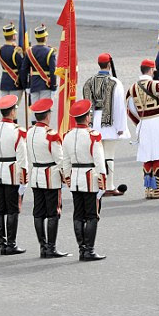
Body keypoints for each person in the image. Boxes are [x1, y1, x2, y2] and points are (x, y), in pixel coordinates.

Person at [126, 58, 159, 199]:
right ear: (151, 70)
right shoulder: (155, 85)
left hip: (144, 123)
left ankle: (149, 188)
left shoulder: (132, 88)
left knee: (148, 156)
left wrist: (139, 122)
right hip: (157, 122)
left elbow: (129, 109)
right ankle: (157, 189)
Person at [60, 98, 107, 261]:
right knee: (92, 215)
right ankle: (89, 249)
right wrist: (103, 180)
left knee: (78, 215)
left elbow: (65, 161)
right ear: (87, 117)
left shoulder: (67, 136)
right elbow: (99, 161)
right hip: (89, 177)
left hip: (75, 177)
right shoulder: (93, 136)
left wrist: (67, 177)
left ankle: (82, 248)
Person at [0, 95, 29, 255]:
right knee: (13, 209)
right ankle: (11, 243)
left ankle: (2, 244)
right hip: (12, 173)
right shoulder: (18, 132)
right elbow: (23, 159)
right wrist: (24, 179)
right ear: (12, 112)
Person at [82, 53, 130, 196]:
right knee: (109, 155)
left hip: (94, 119)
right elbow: (119, 107)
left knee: (97, 155)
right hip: (109, 123)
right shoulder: (114, 82)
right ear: (109, 65)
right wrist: (121, 127)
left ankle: (98, 185)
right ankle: (108, 186)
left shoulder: (89, 81)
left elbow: (86, 103)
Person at [26, 98, 69, 258]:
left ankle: (43, 247)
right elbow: (60, 159)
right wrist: (66, 177)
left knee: (38, 212)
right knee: (53, 212)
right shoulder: (51, 135)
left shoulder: (29, 132)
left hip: (36, 174)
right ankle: (51, 247)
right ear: (47, 116)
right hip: (50, 176)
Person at [26, 24, 56, 106]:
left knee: (34, 109)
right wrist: (53, 87)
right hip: (46, 85)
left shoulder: (30, 51)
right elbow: (53, 71)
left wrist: (27, 86)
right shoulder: (50, 51)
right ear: (45, 37)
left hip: (34, 83)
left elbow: (24, 70)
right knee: (44, 110)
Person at [0, 23, 27, 104]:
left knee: (6, 108)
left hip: (4, 82)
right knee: (13, 109)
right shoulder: (16, 51)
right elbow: (22, 69)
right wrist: (25, 85)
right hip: (15, 84)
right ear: (13, 36)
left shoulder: (0, 49)